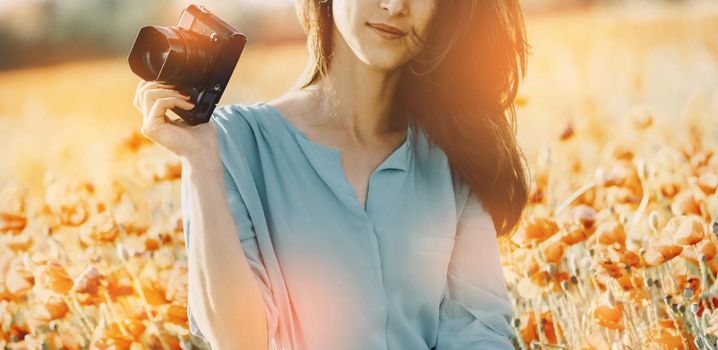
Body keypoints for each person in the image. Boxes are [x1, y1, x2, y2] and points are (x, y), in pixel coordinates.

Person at [133, 0, 531, 349]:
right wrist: (200, 160)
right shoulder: (234, 143)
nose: (394, 5)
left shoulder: (454, 153)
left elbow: (479, 331)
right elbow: (239, 342)